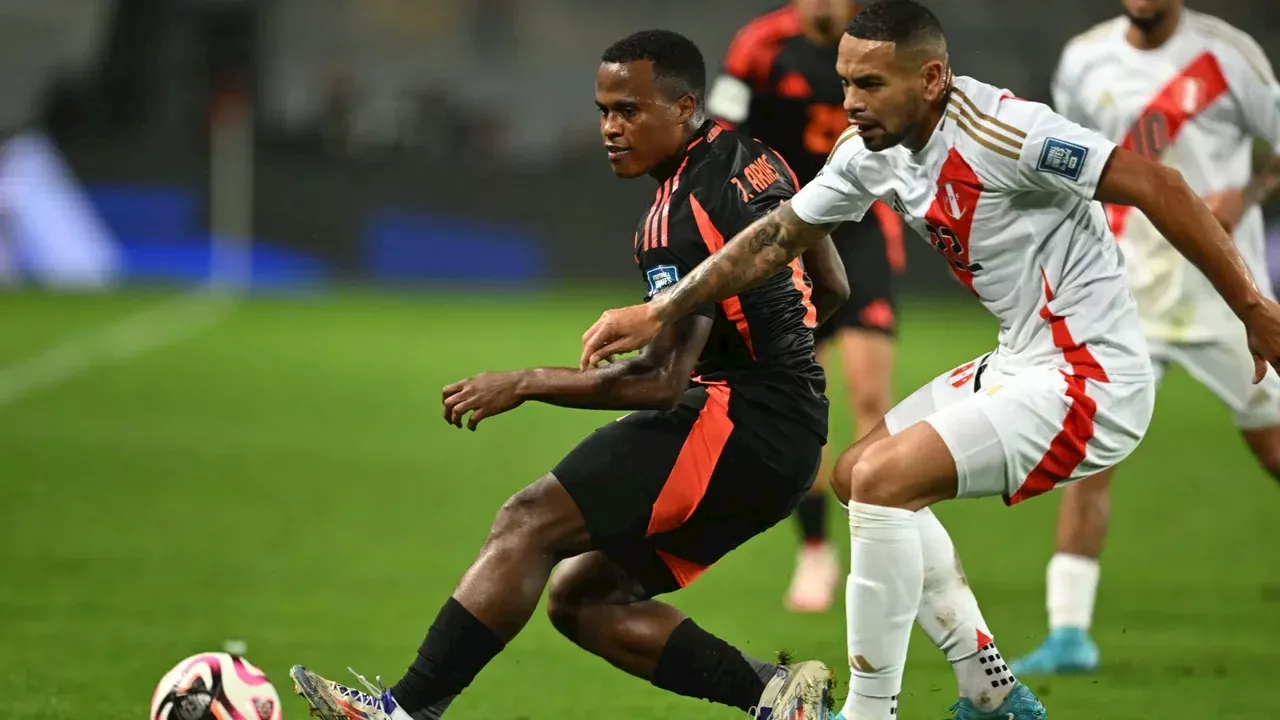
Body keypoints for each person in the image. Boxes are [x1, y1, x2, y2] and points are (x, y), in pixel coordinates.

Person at [578, 2, 1280, 718]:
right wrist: (661, 310)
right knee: (856, 476)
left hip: (1089, 378)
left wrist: (1255, 309)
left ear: (933, 78)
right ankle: (989, 689)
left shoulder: (1008, 133)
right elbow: (773, 237)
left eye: (872, 85)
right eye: (847, 82)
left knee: (883, 483)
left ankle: (869, 712)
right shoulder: (865, 151)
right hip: (1021, 360)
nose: (851, 101)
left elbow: (1158, 184)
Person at [287, 29, 849, 720]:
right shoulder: (760, 160)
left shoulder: (673, 217)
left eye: (630, 110)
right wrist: (763, 344)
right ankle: (777, 697)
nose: (611, 128)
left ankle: (402, 712)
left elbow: (657, 384)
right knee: (584, 599)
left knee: (527, 521)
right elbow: (833, 287)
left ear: (682, 108)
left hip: (738, 424)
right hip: (789, 439)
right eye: (604, 110)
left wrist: (522, 382)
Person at [1010, 0, 1280, 676]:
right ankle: (1068, 635)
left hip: (1223, 299)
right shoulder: (1083, 60)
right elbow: (1068, 168)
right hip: (1122, 295)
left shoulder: (1229, 54)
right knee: (1091, 456)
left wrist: (1246, 195)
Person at [708, 0, 907, 613]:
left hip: (862, 226)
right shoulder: (760, 46)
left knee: (871, 397)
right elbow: (720, 132)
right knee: (805, 399)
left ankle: (887, 550)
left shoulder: (877, 42)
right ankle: (816, 551)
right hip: (789, 230)